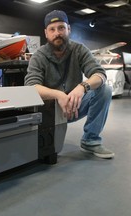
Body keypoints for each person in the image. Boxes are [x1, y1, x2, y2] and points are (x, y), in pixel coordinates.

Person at [24, 10, 114, 159]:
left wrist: (82, 87)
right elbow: (32, 87)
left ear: (69, 29)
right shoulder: (39, 56)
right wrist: (58, 95)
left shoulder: (79, 50)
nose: (57, 33)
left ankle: (90, 141)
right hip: (50, 111)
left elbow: (100, 74)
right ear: (46, 33)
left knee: (104, 90)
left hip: (74, 105)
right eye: (52, 29)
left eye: (61, 28)